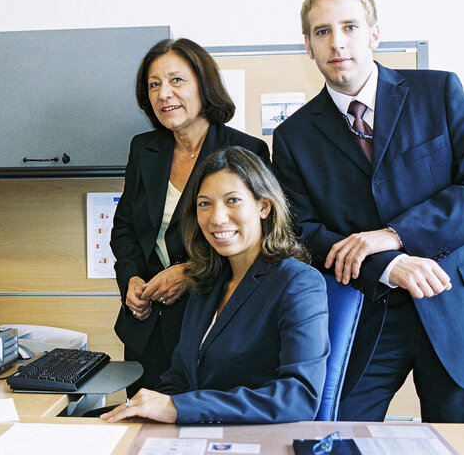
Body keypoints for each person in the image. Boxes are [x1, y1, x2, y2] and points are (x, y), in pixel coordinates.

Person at [271, 0, 464, 423]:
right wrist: (386, 264)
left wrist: (393, 236)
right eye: (322, 31)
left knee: (458, 447)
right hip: (366, 312)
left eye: (349, 26)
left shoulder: (439, 92)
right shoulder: (293, 138)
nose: (337, 43)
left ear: (374, 33)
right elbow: (302, 234)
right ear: (308, 46)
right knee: (335, 437)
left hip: (456, 306)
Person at [103, 147, 329, 424]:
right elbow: (179, 379)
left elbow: (299, 398)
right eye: (204, 204)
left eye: (232, 200)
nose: (217, 218)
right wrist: (145, 416)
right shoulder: (207, 281)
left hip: (255, 440)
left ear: (263, 206)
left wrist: (180, 408)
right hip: (198, 435)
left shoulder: (298, 282)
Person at [111, 39, 270, 395]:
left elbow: (256, 241)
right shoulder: (144, 149)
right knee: (145, 434)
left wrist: (190, 271)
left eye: (176, 81)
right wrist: (131, 280)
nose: (164, 93)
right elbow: (125, 228)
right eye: (154, 85)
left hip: (211, 321)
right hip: (147, 325)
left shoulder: (245, 151)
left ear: (204, 84)